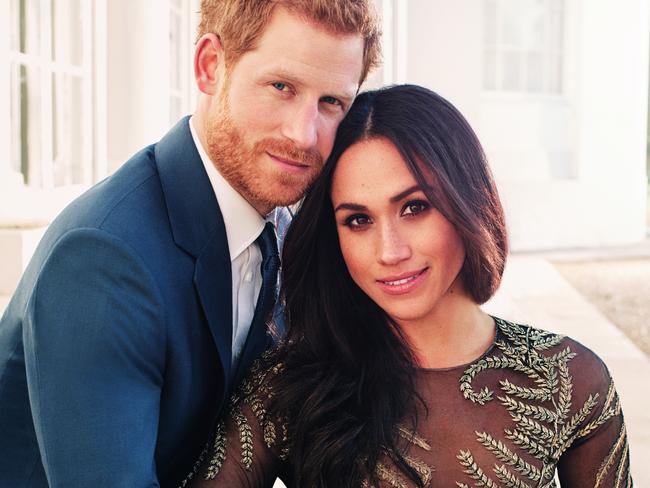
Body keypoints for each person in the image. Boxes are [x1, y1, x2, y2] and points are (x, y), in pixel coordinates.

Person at [0, 1, 380, 486]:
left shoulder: (287, 222)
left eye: (332, 103)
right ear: (209, 66)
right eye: (281, 87)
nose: (304, 134)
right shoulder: (102, 259)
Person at [184, 85, 632, 488]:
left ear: (467, 203)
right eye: (358, 220)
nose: (390, 251)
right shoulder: (288, 387)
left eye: (415, 207)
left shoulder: (568, 380)